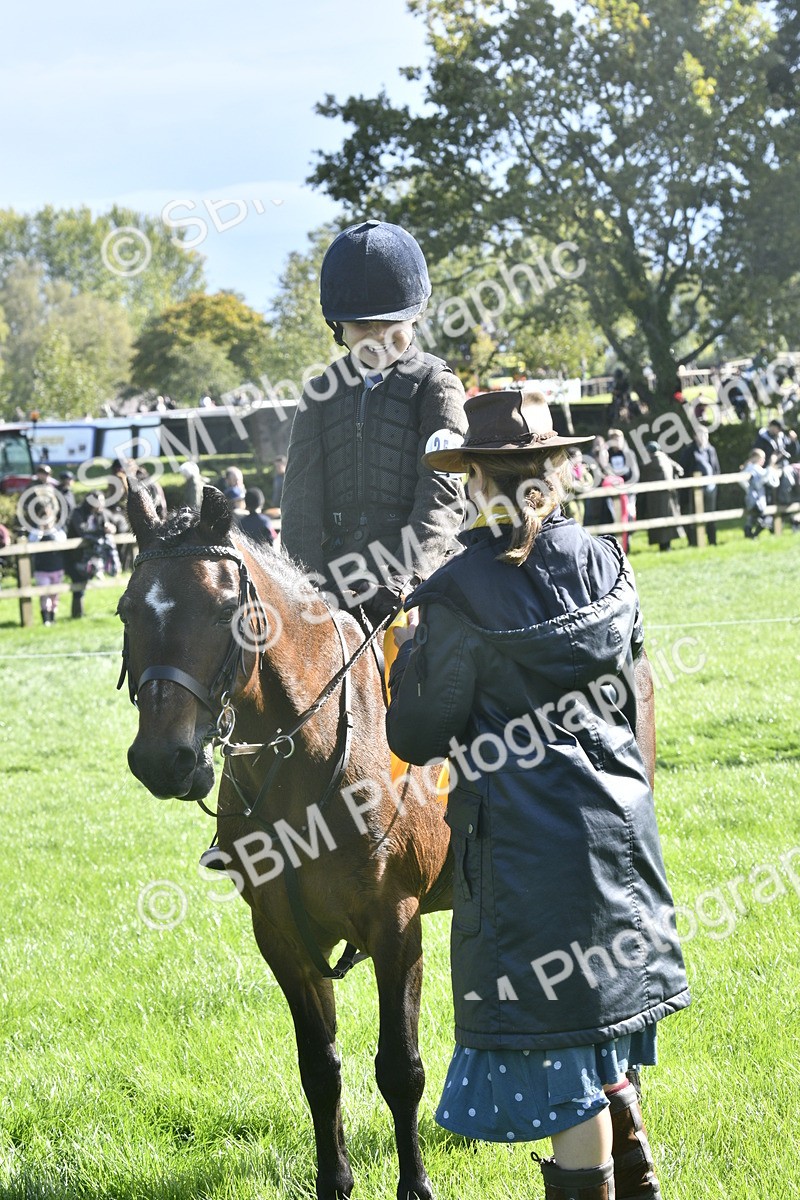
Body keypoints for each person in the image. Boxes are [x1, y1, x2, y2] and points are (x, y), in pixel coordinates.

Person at [385, 389, 690, 1200]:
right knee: (598, 1036)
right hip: (620, 835)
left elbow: (414, 735)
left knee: (567, 1064)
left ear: (479, 480)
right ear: (555, 470)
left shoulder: (455, 594)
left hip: (525, 854)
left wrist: (413, 653)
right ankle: (636, 1178)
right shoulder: (609, 561)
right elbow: (636, 698)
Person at [280, 219, 467, 624]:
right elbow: (299, 502)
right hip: (333, 577)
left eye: (391, 324)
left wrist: (405, 579)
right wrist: (305, 584)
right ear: (338, 327)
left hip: (420, 575)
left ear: (414, 317)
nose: (378, 335)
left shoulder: (438, 386)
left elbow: (441, 494)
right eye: (363, 325)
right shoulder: (319, 394)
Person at [636, 441, 684, 552]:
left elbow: (642, 475)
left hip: (655, 497)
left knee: (659, 522)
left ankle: (664, 547)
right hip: (669, 495)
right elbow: (680, 470)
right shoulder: (666, 458)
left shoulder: (650, 462)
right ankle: (667, 546)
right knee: (668, 519)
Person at [678, 428, 721, 546]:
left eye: (705, 435)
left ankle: (712, 541)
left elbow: (716, 468)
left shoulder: (711, 450)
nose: (703, 437)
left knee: (710, 515)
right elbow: (683, 469)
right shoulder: (689, 451)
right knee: (695, 515)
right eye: (700, 435)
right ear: (695, 437)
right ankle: (694, 542)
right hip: (695, 489)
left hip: (711, 487)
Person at [28, 500, 67, 624]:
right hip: (42, 569)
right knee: (44, 594)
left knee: (55, 595)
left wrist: (50, 529)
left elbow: (62, 541)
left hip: (57, 567)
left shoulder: (58, 531)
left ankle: (53, 617)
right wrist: (41, 530)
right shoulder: (35, 531)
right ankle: (45, 619)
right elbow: (32, 542)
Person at [740, 448, 779, 538]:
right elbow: (759, 482)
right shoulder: (753, 468)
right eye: (762, 458)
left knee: (754, 518)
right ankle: (753, 533)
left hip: (755, 499)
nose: (763, 460)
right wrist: (770, 466)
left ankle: (751, 534)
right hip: (756, 500)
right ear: (755, 458)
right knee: (765, 518)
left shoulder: (751, 467)